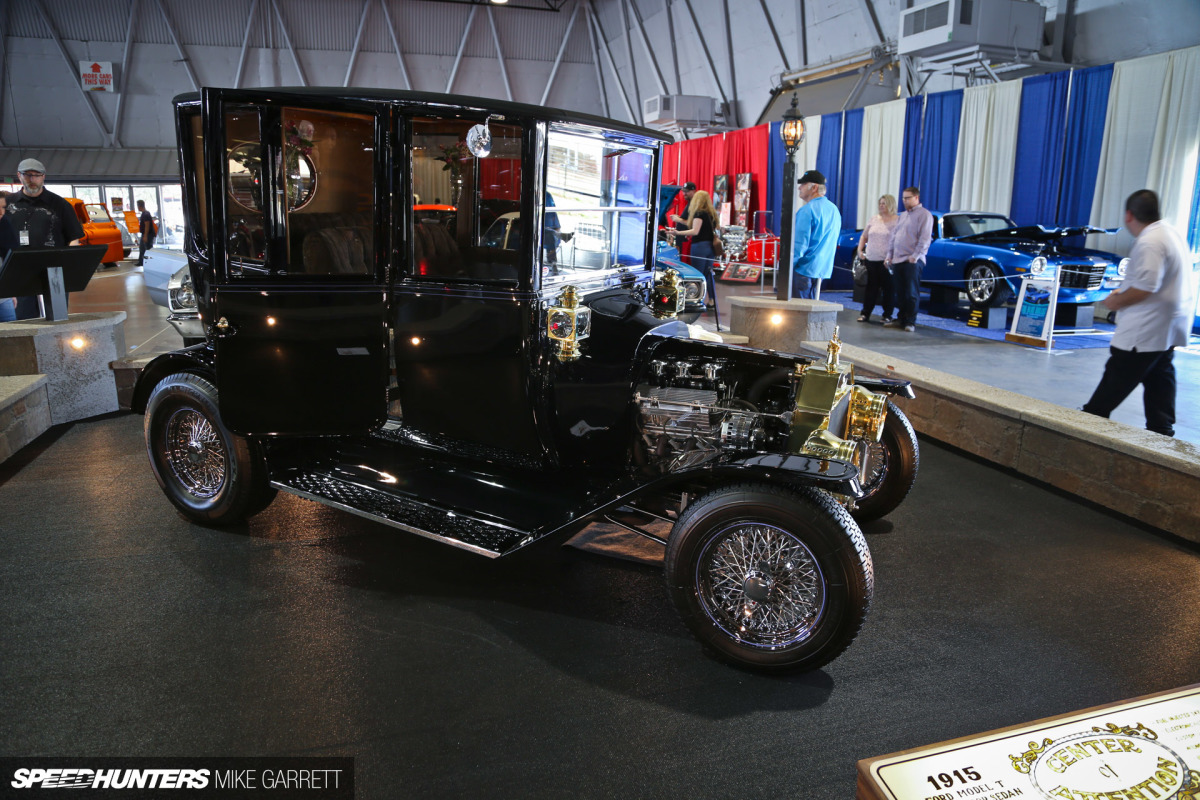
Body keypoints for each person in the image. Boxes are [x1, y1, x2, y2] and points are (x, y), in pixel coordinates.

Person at [1082, 190, 1194, 437]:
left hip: (1145, 329)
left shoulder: (1149, 241)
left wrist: (1115, 301)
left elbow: (1146, 287)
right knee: (1159, 376)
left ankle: (1087, 426)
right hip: (1167, 326)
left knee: (1117, 378)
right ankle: (1161, 429)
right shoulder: (1170, 232)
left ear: (1129, 215)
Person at [5, 158, 85, 320]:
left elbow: (73, 238)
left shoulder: (60, 205)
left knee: (57, 318)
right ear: (19, 176)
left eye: (37, 175)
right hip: (19, 272)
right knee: (24, 320)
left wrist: (68, 269)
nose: (32, 179)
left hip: (54, 272)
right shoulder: (7, 205)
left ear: (44, 176)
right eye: (27, 175)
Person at [884, 186, 933, 332]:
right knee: (900, 292)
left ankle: (910, 322)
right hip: (898, 260)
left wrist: (915, 256)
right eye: (903, 198)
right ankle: (901, 319)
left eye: (908, 198)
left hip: (912, 260)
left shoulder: (924, 215)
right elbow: (894, 237)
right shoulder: (903, 215)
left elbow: (925, 239)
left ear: (916, 198)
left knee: (911, 293)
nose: (904, 201)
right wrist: (889, 256)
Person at [791, 170, 841, 300]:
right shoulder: (834, 210)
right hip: (822, 269)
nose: (799, 188)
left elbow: (799, 244)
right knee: (811, 311)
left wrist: (787, 266)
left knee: (798, 313)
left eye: (803, 184)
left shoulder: (807, 211)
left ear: (814, 187)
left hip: (803, 269)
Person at [856, 193, 900, 323]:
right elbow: (864, 236)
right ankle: (865, 313)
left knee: (888, 289)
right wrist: (860, 250)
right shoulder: (874, 219)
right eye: (880, 203)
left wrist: (892, 256)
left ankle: (887, 315)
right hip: (871, 258)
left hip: (887, 260)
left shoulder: (897, 220)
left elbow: (898, 240)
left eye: (884, 203)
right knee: (871, 288)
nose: (881, 206)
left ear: (890, 205)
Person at [673, 189, 719, 304]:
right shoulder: (711, 214)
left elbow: (695, 231)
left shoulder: (699, 213)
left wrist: (678, 233)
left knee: (698, 275)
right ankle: (712, 300)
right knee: (708, 274)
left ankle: (697, 300)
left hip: (699, 247)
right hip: (710, 247)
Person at [0, 192, 19, 322]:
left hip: (3, 296)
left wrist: (10, 292)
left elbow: (7, 257)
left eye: (3, 207)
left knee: (12, 336)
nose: (1, 212)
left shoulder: (4, 224)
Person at [137, 199, 157, 266]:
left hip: (148, 234)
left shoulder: (146, 214)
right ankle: (141, 262)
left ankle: (149, 262)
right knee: (142, 248)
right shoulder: (144, 214)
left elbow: (147, 225)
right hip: (145, 234)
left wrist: (145, 235)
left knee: (147, 248)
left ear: (140, 206)